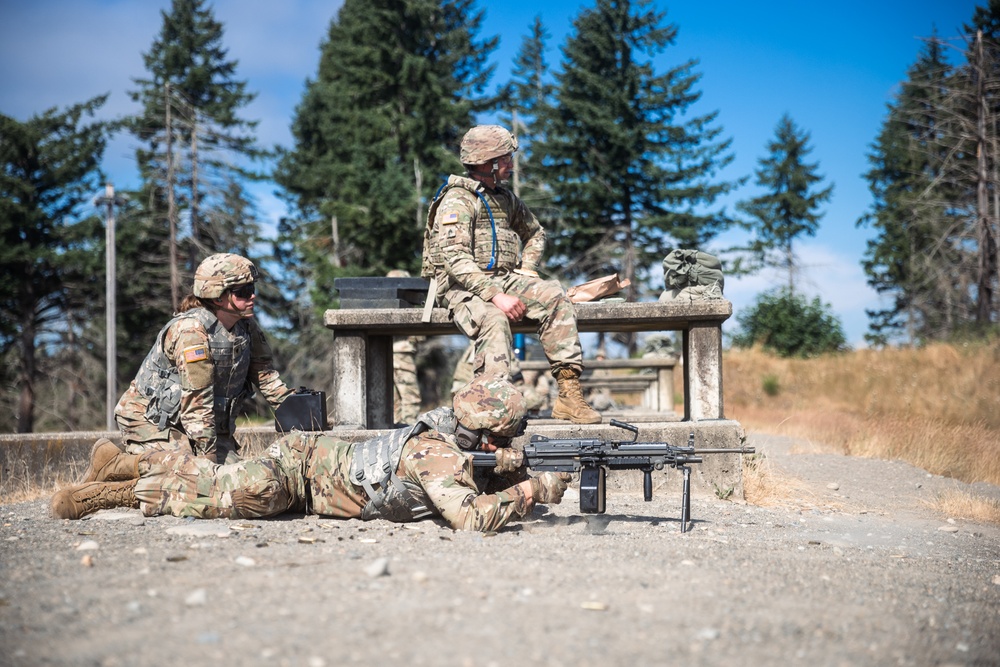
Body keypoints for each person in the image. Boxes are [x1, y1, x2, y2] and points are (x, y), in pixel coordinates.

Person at [51, 376, 572, 533]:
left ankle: (122, 461)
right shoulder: (435, 454)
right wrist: (533, 489)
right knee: (231, 493)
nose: (508, 446)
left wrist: (514, 469)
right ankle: (108, 493)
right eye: (504, 437)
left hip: (319, 471)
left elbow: (483, 472)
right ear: (481, 432)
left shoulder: (456, 436)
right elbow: (470, 520)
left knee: (213, 474)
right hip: (300, 470)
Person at [421, 124, 600, 424]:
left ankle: (569, 396)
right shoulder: (457, 200)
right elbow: (456, 259)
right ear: (487, 163)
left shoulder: (505, 199)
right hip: (459, 288)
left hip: (503, 280)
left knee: (554, 295)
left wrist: (527, 269)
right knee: (494, 318)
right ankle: (491, 410)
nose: (511, 165)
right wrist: (496, 295)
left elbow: (535, 233)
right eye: (505, 159)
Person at [112, 253, 293, 465]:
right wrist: (207, 461)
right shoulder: (191, 332)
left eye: (252, 289)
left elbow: (266, 378)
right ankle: (114, 467)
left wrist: (300, 413)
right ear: (218, 297)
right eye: (243, 292)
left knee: (239, 484)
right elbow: (197, 401)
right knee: (186, 477)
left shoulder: (246, 328)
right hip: (152, 423)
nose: (252, 296)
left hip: (200, 426)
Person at [386, 269, 423, 425]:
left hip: (391, 351)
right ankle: (407, 430)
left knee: (394, 399)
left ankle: (398, 430)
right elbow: (411, 399)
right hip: (400, 351)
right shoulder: (399, 306)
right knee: (410, 396)